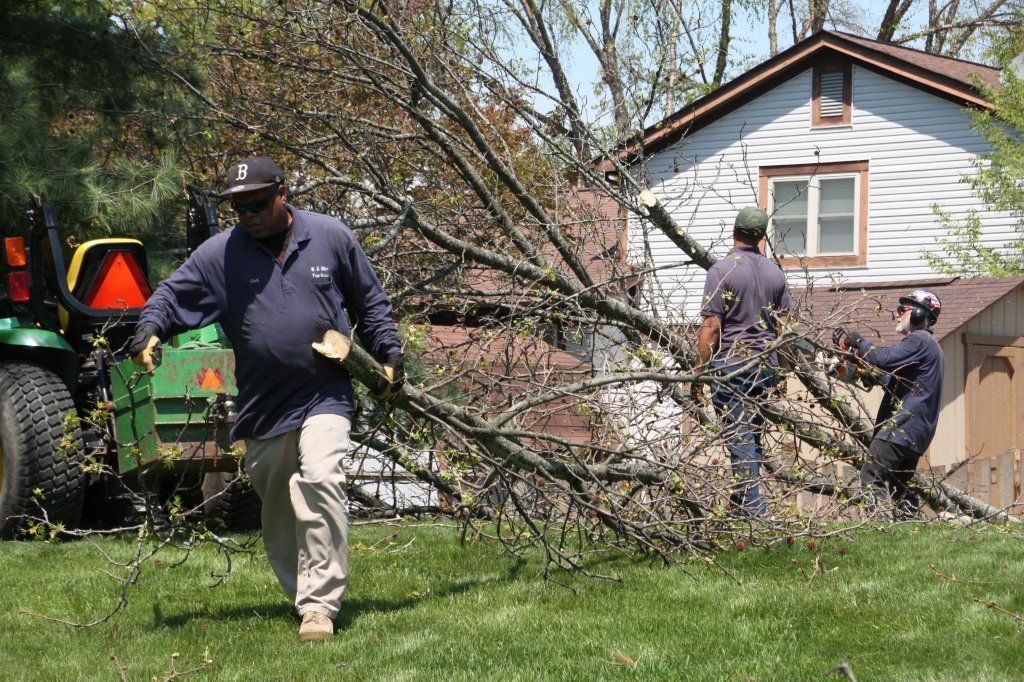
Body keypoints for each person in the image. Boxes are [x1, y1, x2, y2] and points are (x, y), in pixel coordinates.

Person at [129, 156, 404, 641]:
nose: (248, 213)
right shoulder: (221, 255)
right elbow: (170, 295)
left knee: (321, 478)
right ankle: (304, 595)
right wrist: (150, 330)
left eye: (257, 202)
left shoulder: (330, 236)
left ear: (282, 193)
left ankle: (320, 606)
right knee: (278, 508)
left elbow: (370, 301)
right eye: (238, 206)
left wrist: (389, 355)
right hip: (263, 405)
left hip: (325, 392)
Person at [695, 207, 792, 518]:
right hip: (766, 365)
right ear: (762, 237)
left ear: (734, 231)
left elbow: (712, 327)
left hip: (733, 364)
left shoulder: (721, 270)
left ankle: (753, 510)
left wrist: (697, 372)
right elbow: (784, 329)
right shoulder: (776, 274)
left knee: (739, 436)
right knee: (752, 434)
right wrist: (784, 370)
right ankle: (742, 504)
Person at [841, 289, 944, 516]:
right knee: (900, 488)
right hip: (917, 431)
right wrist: (871, 375)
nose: (897, 314)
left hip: (901, 426)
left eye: (902, 309)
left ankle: (878, 527)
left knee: (871, 476)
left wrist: (858, 342)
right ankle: (910, 528)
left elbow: (883, 357)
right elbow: (900, 381)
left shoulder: (919, 339)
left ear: (919, 313)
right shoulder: (931, 347)